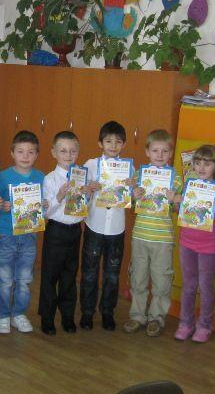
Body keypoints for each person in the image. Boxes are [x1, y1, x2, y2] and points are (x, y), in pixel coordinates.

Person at [124, 129, 183, 337]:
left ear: (170, 153)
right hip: (140, 235)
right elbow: (131, 205)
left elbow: (179, 210)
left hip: (163, 238)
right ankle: (137, 315)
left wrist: (175, 199)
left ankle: (156, 317)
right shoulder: (138, 175)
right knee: (138, 279)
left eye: (165, 151)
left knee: (161, 281)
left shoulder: (176, 179)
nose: (160, 155)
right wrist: (134, 196)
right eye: (155, 150)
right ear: (147, 152)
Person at [39, 131, 94, 335]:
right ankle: (47, 318)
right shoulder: (50, 179)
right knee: (50, 276)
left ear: (78, 152)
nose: (68, 155)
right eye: (63, 151)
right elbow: (46, 213)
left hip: (75, 231)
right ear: (54, 152)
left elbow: (85, 208)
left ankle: (68, 316)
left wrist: (88, 195)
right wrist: (59, 196)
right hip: (55, 231)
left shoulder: (82, 177)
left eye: (72, 151)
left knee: (70, 276)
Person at [174, 144, 215, 343]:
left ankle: (205, 325)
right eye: (198, 163)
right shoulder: (189, 186)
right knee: (188, 285)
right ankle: (185, 323)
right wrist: (177, 202)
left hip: (209, 247)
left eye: (207, 163)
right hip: (187, 242)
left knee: (205, 287)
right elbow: (181, 213)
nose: (202, 168)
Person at [0, 130, 45, 335]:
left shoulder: (41, 177)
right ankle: (3, 315)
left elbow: (43, 207)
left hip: (29, 235)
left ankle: (19, 314)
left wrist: (44, 205)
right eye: (20, 151)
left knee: (24, 279)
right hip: (6, 234)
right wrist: (1, 206)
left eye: (30, 152)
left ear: (37, 155)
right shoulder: (3, 177)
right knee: (5, 280)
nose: (25, 156)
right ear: (12, 153)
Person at [80, 121, 129, 331]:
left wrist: (132, 188)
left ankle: (107, 312)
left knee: (112, 273)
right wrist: (89, 188)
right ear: (100, 143)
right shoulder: (91, 165)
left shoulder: (129, 168)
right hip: (94, 226)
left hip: (117, 228)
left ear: (124, 144)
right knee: (89, 272)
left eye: (118, 142)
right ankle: (87, 312)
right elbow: (80, 192)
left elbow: (133, 197)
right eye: (108, 141)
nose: (113, 145)